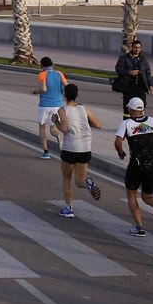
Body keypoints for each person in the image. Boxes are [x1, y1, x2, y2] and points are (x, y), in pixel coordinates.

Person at [114, 97, 153, 235]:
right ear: (143, 109)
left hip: (136, 166)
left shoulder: (126, 124)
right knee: (147, 196)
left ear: (130, 109)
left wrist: (121, 153)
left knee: (131, 195)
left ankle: (139, 227)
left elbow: (118, 142)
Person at [53, 84, 102, 217]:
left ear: (65, 96)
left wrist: (55, 121)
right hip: (85, 148)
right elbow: (98, 124)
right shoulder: (84, 108)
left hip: (70, 148)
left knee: (66, 178)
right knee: (80, 179)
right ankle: (88, 183)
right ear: (77, 95)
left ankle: (69, 208)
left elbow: (63, 128)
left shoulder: (63, 110)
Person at [30, 58, 68, 158]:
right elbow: (67, 86)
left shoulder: (42, 74)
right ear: (52, 64)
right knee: (53, 128)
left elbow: (43, 89)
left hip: (45, 104)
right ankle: (58, 136)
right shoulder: (59, 73)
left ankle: (46, 152)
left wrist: (35, 91)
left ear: (42, 65)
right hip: (57, 104)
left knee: (42, 127)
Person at [113, 38, 153, 109]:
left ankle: (139, 119)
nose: (137, 49)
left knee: (142, 105)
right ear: (132, 48)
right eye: (135, 47)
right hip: (129, 86)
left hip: (140, 87)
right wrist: (129, 72)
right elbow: (118, 69)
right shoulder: (125, 58)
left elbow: (148, 73)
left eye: (138, 48)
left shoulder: (144, 59)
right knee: (128, 105)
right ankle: (127, 119)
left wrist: (151, 85)